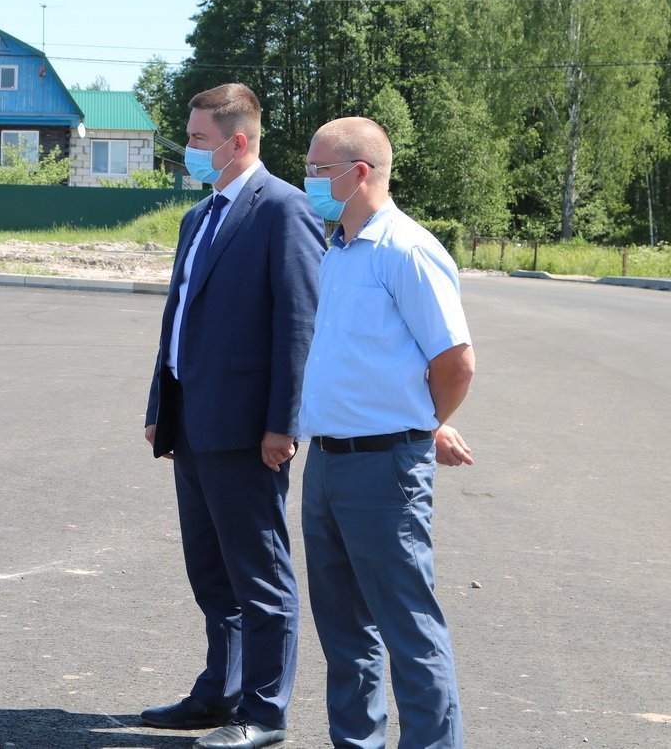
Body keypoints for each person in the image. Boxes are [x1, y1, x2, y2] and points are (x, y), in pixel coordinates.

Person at [141, 84, 325, 749]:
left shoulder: (284, 210)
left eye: (195, 139)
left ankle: (265, 710)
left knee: (260, 574)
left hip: (249, 430)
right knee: (210, 569)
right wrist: (162, 405)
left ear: (236, 141)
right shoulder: (199, 216)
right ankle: (219, 690)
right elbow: (178, 320)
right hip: (192, 422)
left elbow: (298, 326)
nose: (187, 150)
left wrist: (285, 424)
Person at [298, 117, 475, 748]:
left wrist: (420, 427)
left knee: (408, 628)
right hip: (327, 463)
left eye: (320, 170)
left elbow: (454, 362)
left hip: (383, 468)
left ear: (360, 173)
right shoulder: (338, 249)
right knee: (344, 633)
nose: (310, 181)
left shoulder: (407, 250)